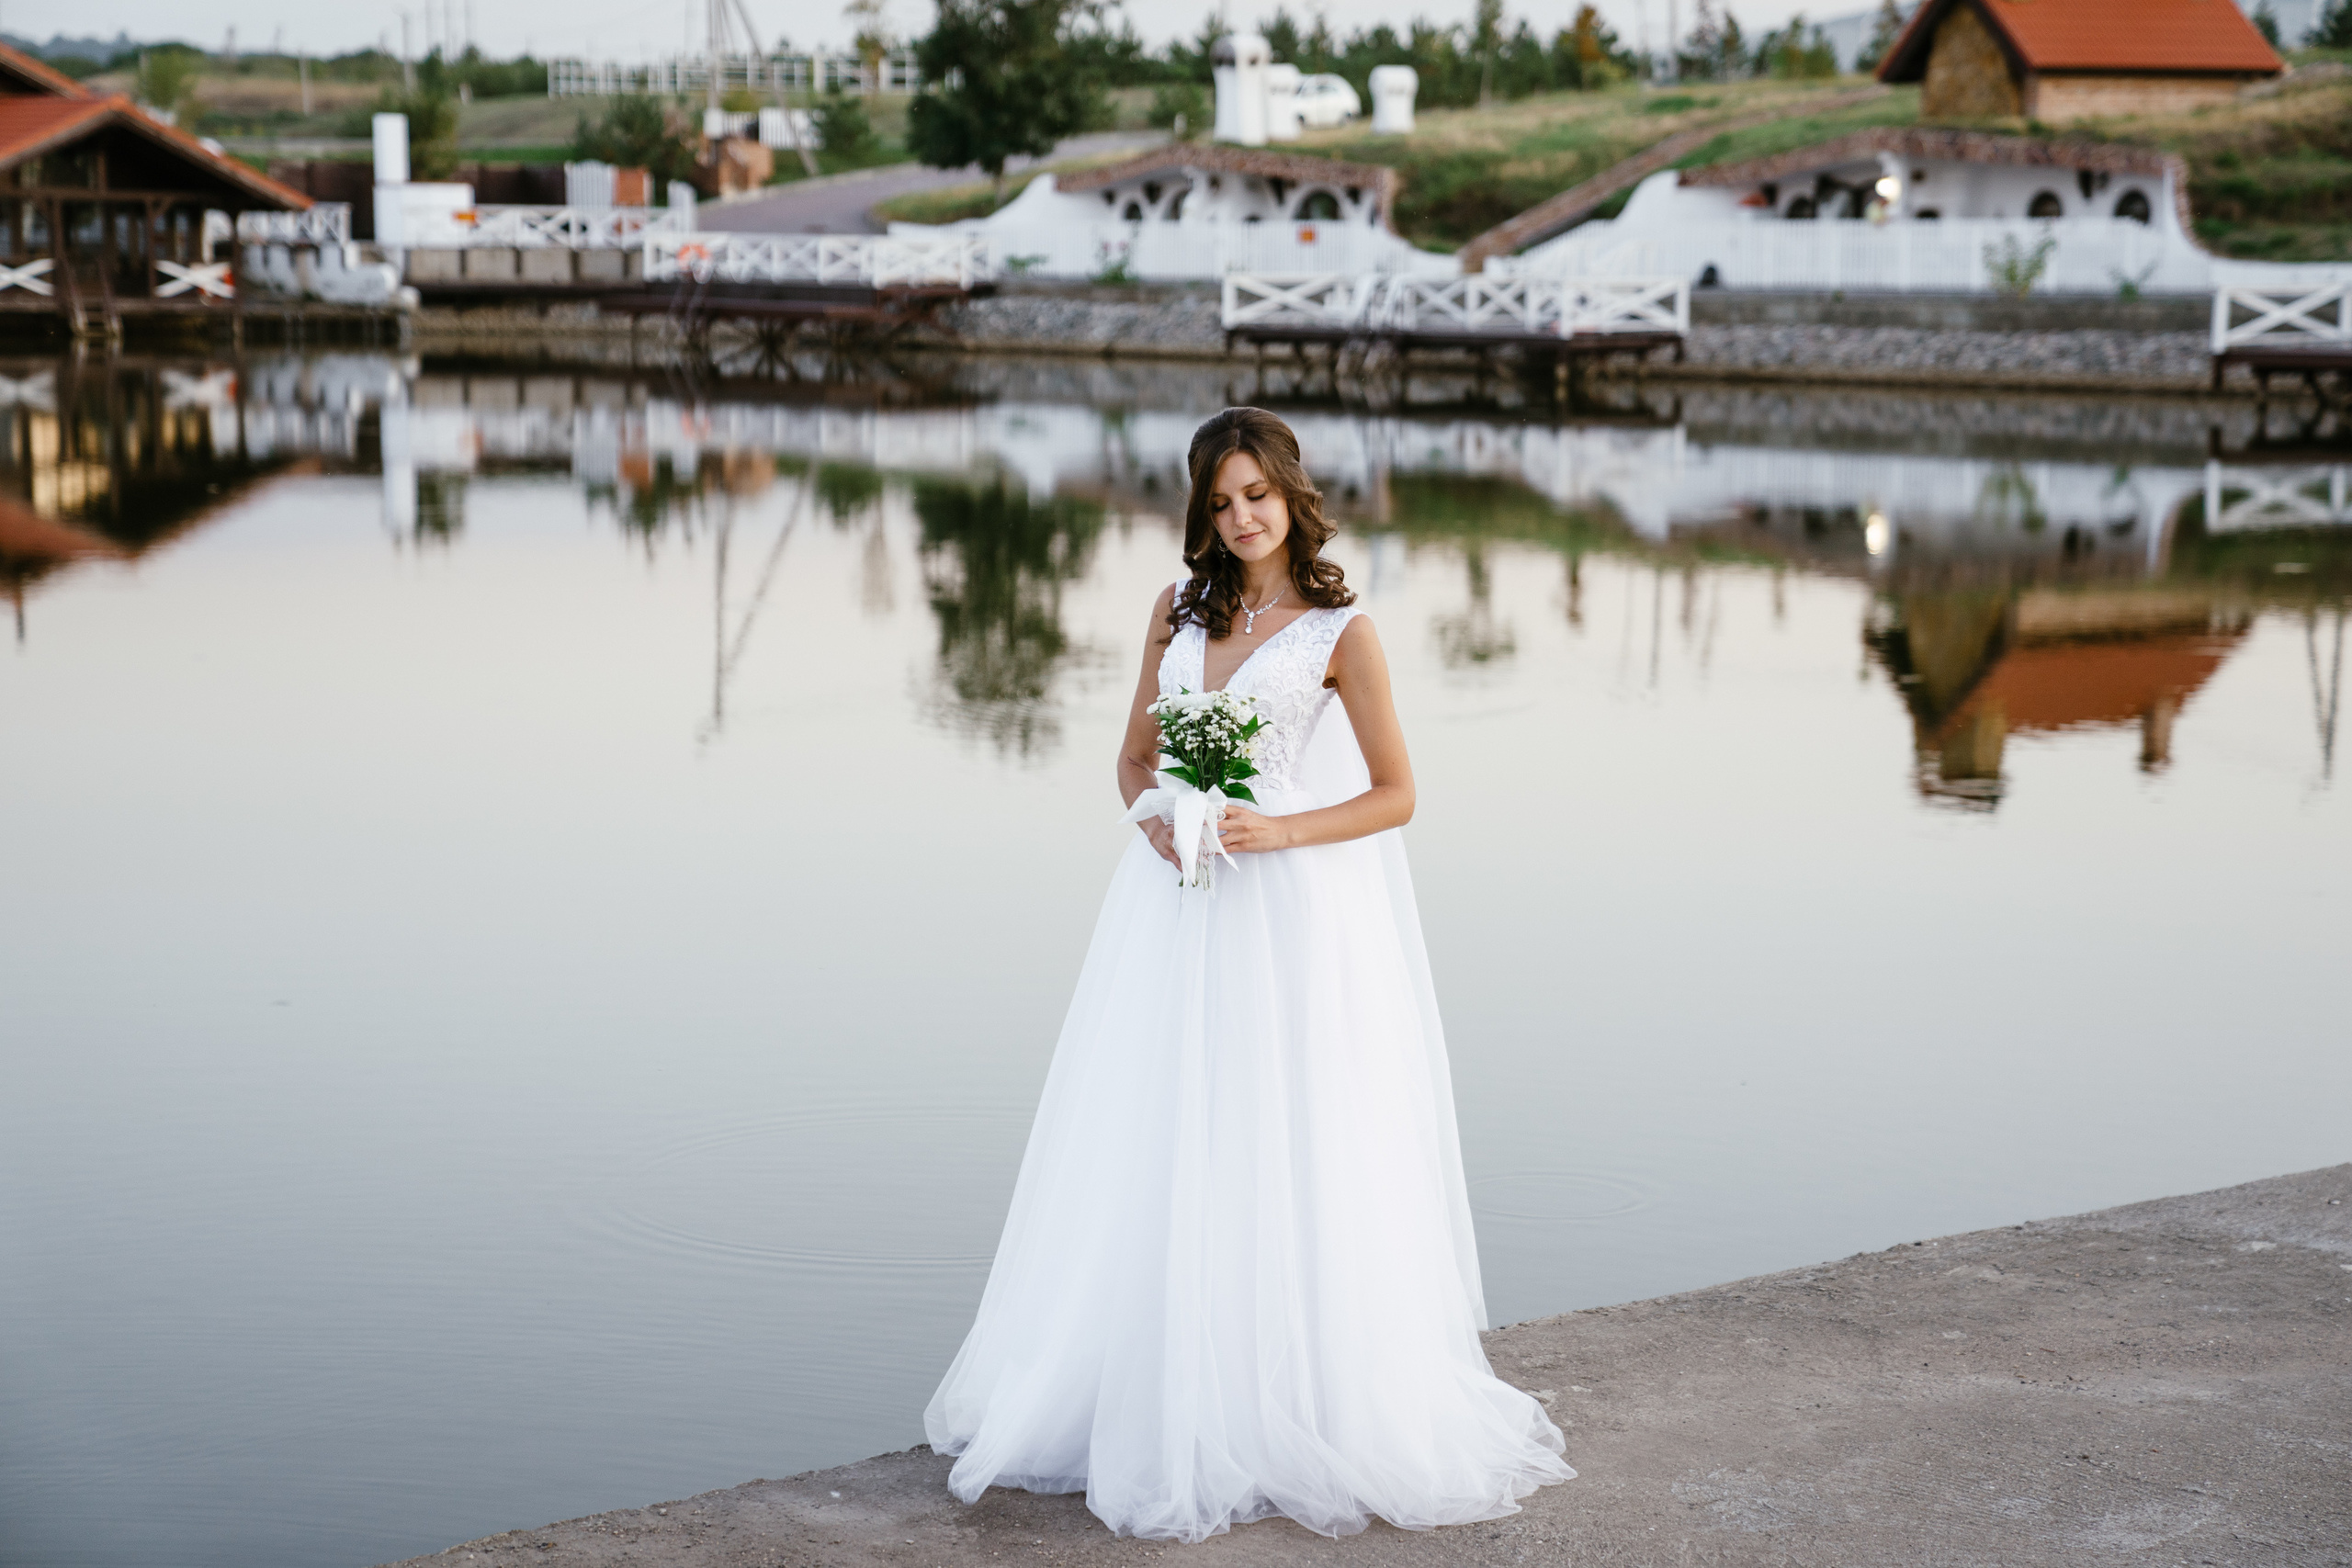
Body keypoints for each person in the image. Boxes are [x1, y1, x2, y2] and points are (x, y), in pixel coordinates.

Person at [924, 407, 1573, 1542]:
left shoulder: (1341, 632)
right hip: (1171, 910)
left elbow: (1396, 794)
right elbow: (1133, 755)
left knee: (1284, 1131)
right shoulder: (1173, 611)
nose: (1239, 518)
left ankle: (1295, 1401)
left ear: (1290, 493)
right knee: (1163, 1130)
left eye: (1255, 496)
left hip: (1284, 911)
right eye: (1219, 502)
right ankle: (1155, 1392)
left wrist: (1277, 832)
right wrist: (1156, 819)